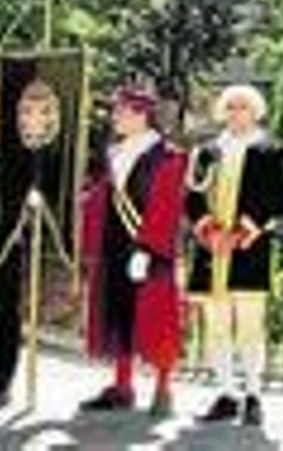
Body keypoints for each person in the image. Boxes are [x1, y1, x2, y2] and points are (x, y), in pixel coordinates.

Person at [79, 86, 187, 417]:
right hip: (114, 245)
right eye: (115, 111)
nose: (115, 117)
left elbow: (166, 206)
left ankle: (163, 388)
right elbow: (101, 198)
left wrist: (149, 248)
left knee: (156, 319)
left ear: (142, 115)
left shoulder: (168, 157)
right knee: (119, 316)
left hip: (150, 251)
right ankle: (123, 386)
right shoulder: (114, 152)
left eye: (122, 111)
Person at [186, 84, 283, 427]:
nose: (235, 112)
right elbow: (192, 196)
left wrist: (244, 231)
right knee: (216, 327)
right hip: (211, 249)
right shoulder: (206, 151)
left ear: (256, 111)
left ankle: (254, 395)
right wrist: (208, 230)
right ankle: (227, 393)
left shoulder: (271, 150)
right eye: (230, 106)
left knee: (249, 327)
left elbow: (279, 198)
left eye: (243, 106)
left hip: (249, 249)